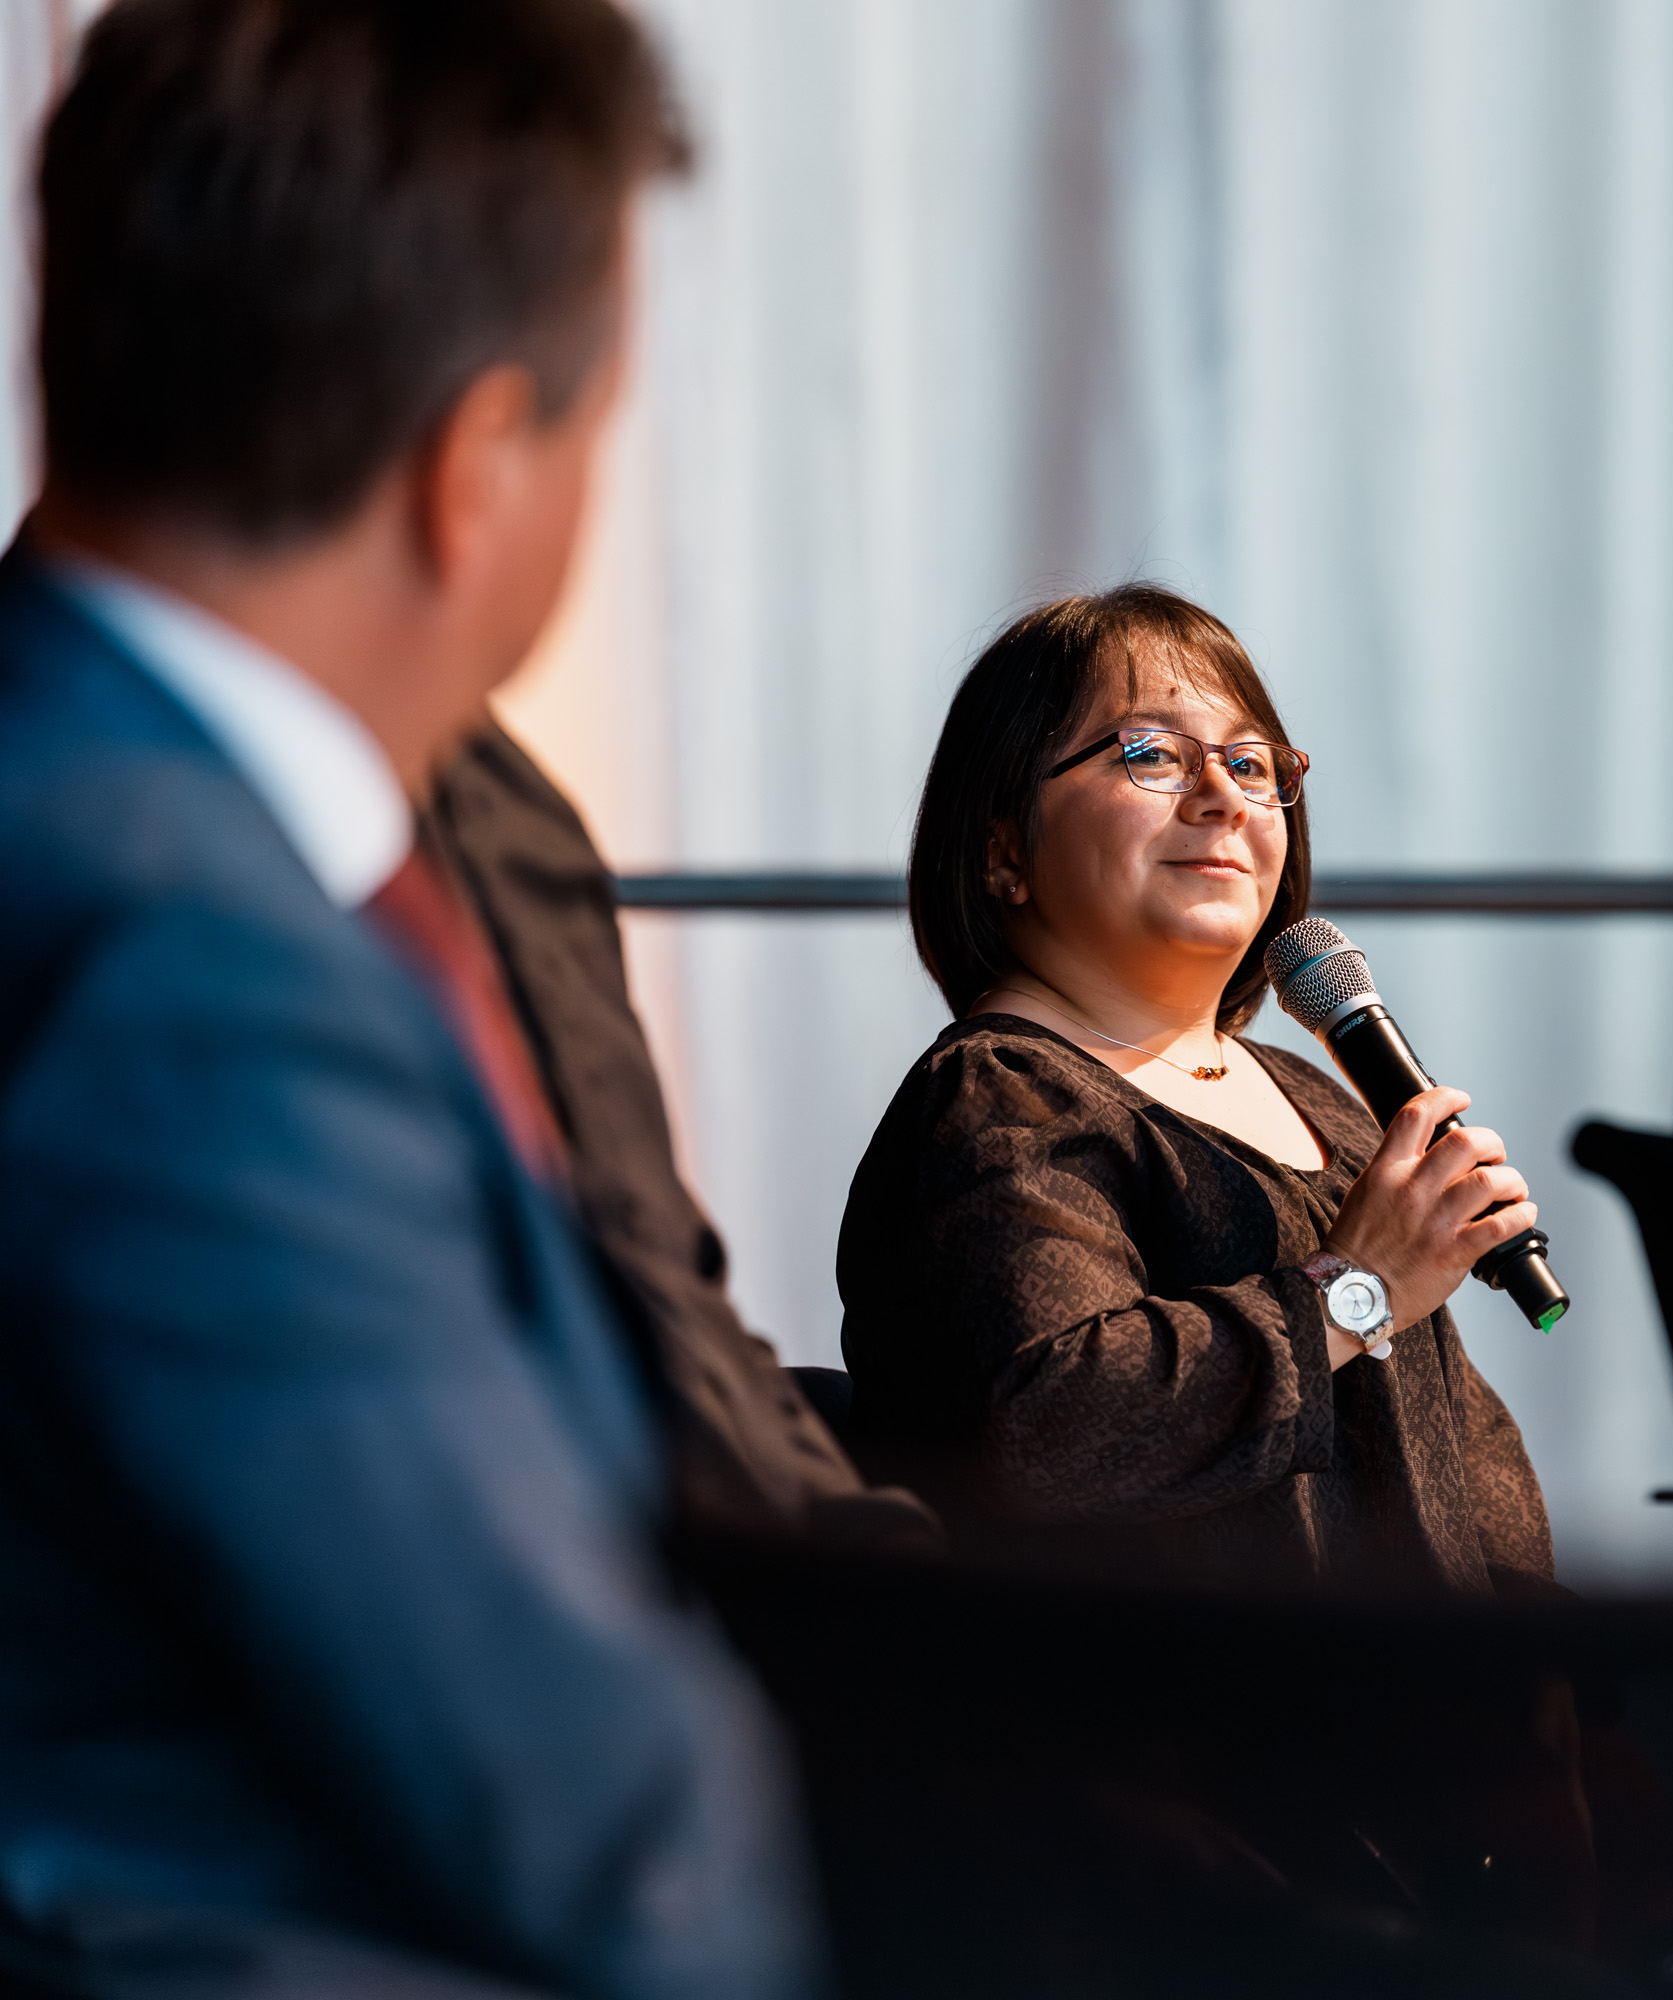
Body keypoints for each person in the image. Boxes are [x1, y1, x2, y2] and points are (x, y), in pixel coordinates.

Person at [0, 3, 821, 1994]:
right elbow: (602, 1836)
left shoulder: (86, 800)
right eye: (593, 428)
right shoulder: (197, 976)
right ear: (476, 468)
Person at [839, 586, 1555, 1595]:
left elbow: (1462, 1463)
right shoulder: (1000, 1099)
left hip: (1422, 1690)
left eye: (1252, 764)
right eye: (1153, 754)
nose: (1223, 796)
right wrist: (1356, 1287)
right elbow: (1051, 1430)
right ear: (1004, 849)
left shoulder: (1323, 1101)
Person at [427, 717, 938, 1550]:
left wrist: (846, 1526)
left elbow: (657, 1262)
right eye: (1142, 755)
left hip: (730, 1517)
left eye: (1236, 758)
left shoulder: (510, 809)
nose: (1195, 798)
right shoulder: (1001, 1099)